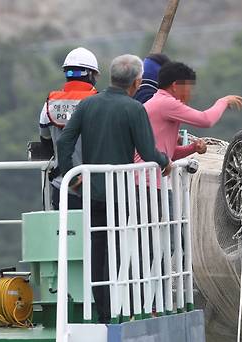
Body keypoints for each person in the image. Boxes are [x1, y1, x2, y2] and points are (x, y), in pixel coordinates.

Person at [57, 54, 171, 323]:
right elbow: (147, 151)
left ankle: (104, 314)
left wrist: (71, 179)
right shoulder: (134, 109)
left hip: (92, 192)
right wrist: (165, 161)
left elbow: (64, 143)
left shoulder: (88, 105)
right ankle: (123, 310)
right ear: (137, 82)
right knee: (121, 251)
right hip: (121, 195)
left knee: (98, 251)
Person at [135, 61, 242, 171]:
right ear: (175, 86)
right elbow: (206, 120)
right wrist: (223, 101)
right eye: (189, 88)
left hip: (149, 177)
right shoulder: (166, 103)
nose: (190, 93)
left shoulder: (158, 102)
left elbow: (170, 154)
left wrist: (193, 148)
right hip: (147, 179)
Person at [39, 47, 99, 210]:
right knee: (98, 234)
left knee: (68, 234)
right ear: (92, 75)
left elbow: (45, 139)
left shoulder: (49, 105)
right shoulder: (99, 103)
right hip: (96, 186)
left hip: (64, 185)